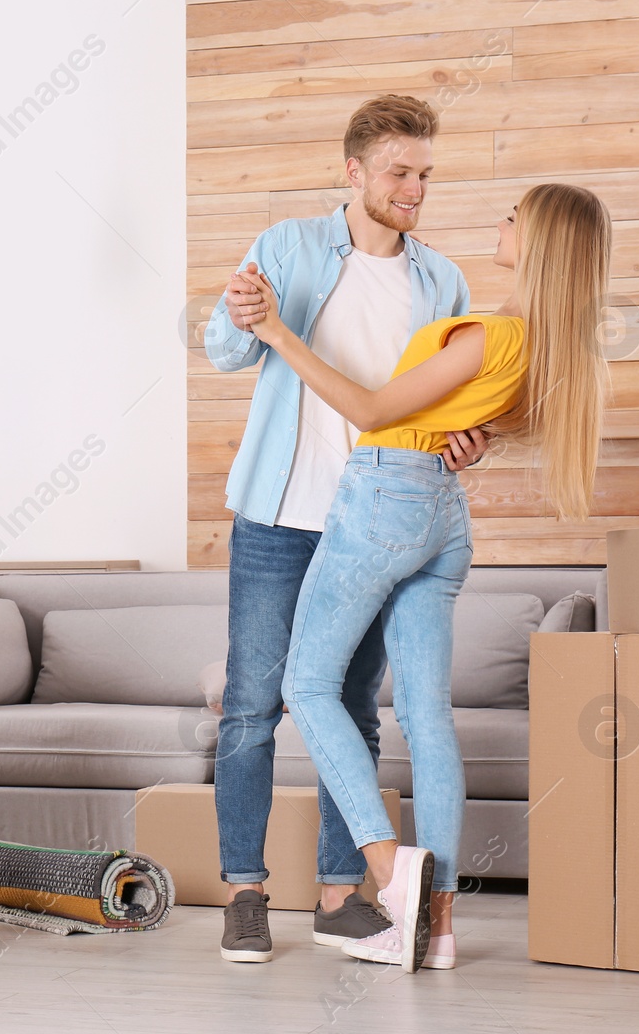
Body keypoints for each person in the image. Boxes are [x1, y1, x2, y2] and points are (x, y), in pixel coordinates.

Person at [237, 182, 611, 972]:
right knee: (425, 715)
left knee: (306, 684)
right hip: (441, 514)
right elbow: (461, 422)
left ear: (540, 241)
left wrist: (277, 329)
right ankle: (438, 929)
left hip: (385, 494)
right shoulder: (545, 345)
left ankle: (388, 873)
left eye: (515, 216)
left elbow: (373, 409)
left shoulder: (493, 331)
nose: (499, 222)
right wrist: (461, 436)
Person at [204, 94, 487, 964]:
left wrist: (472, 439)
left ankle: (339, 895)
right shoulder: (286, 246)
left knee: (352, 709)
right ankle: (245, 894)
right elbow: (226, 351)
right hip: (280, 516)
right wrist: (236, 307)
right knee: (254, 708)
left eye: (425, 174)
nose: (415, 189)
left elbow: (452, 403)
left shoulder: (441, 279)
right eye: (401, 172)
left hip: (374, 524)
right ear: (355, 172)